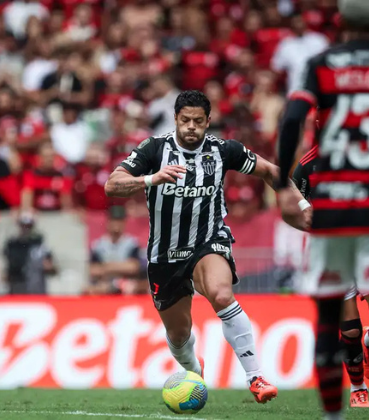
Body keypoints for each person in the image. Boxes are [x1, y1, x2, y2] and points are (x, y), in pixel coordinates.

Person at [105, 90, 285, 403]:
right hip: (165, 254)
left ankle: (255, 376)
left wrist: (299, 200)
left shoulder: (224, 150)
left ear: (208, 122)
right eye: (185, 120)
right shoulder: (154, 149)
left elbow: (270, 171)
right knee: (178, 335)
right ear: (175, 119)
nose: (191, 126)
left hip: (208, 240)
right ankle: (194, 371)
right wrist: (152, 179)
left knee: (221, 293)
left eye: (198, 121)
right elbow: (112, 185)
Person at [276, 1, 369, 418]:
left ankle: (335, 412)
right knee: (352, 325)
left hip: (334, 203)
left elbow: (293, 117)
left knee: (333, 320)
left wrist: (281, 184)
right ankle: (362, 379)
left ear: (340, 22)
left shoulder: (320, 64)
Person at [285, 147, 369, 408]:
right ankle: (358, 388)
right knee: (350, 329)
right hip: (333, 251)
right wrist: (311, 224)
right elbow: (289, 211)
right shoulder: (308, 166)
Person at [86, 205, 141, 295]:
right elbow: (93, 270)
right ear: (108, 222)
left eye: (119, 221)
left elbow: (133, 267)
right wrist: (121, 267)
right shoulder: (98, 245)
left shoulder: (132, 243)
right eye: (114, 220)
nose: (116, 224)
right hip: (104, 285)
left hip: (126, 286)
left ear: (124, 222)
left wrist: (106, 267)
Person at [3, 213, 56, 295]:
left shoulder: (40, 244)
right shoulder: (12, 244)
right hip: (17, 286)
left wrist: (49, 267)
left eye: (28, 226)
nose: (25, 229)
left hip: (36, 287)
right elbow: (8, 265)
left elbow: (50, 266)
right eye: (23, 226)